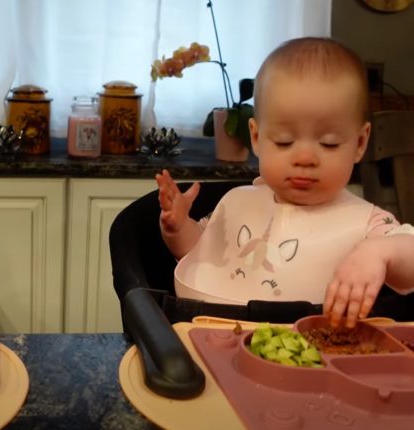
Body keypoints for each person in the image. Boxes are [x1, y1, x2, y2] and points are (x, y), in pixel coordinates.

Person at [156, 37, 414, 329]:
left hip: (313, 358)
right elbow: (200, 254)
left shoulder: (368, 225)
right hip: (210, 339)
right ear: (256, 138)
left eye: (328, 144)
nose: (305, 157)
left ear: (359, 143)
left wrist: (380, 253)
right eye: (284, 141)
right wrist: (177, 227)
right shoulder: (239, 201)